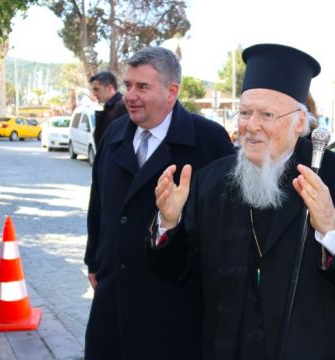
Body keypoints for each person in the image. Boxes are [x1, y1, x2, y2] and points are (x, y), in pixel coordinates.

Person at [149, 43, 335, 360]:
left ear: (300, 123)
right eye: (246, 112)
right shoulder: (208, 182)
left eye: (267, 114)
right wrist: (169, 224)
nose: (252, 126)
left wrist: (333, 229)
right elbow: (174, 275)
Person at [84, 46, 234, 359]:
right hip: (113, 296)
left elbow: (225, 222)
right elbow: (98, 203)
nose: (130, 96)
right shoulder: (114, 134)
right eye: (128, 86)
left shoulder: (208, 141)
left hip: (173, 301)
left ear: (172, 91)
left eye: (142, 87)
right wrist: (94, 260)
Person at [90, 71, 128, 149]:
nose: (94, 93)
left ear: (110, 88)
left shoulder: (122, 106)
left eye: (97, 89)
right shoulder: (109, 107)